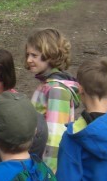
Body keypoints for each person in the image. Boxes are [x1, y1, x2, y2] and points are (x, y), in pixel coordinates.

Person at [25, 28, 81, 172]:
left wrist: (47, 176)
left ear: (50, 55)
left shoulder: (57, 90)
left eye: (34, 55)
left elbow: (55, 137)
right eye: (27, 55)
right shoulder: (47, 85)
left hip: (47, 169)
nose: (28, 60)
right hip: (36, 159)